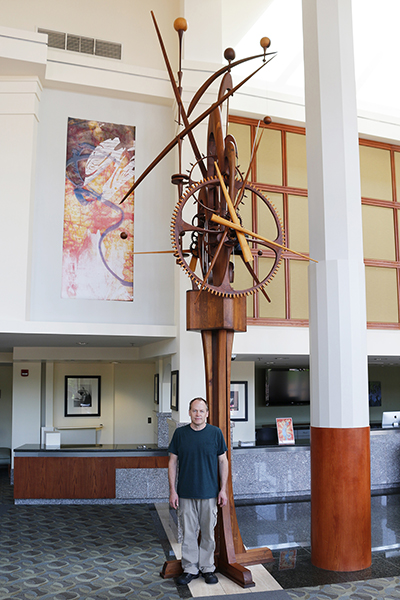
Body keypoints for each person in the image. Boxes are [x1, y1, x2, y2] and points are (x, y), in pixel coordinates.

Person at [168, 397, 229, 585]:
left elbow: (223, 461)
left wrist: (223, 490)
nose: (198, 414)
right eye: (195, 411)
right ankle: (190, 569)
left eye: (201, 411)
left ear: (207, 414)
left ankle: (208, 568)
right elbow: (172, 462)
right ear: (189, 412)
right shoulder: (180, 434)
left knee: (208, 533)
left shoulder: (215, 433)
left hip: (209, 493)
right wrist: (172, 491)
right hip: (185, 492)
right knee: (188, 533)